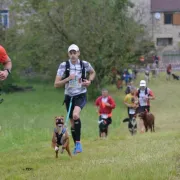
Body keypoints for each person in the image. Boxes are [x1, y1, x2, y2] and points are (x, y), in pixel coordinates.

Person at [54, 44, 96, 154]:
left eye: (75, 52)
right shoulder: (64, 65)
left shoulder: (85, 64)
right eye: (71, 53)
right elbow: (56, 84)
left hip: (81, 94)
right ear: (68, 54)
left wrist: (89, 81)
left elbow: (92, 72)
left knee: (75, 115)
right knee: (72, 123)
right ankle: (76, 146)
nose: (73, 55)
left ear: (78, 53)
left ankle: (78, 143)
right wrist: (67, 79)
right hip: (69, 96)